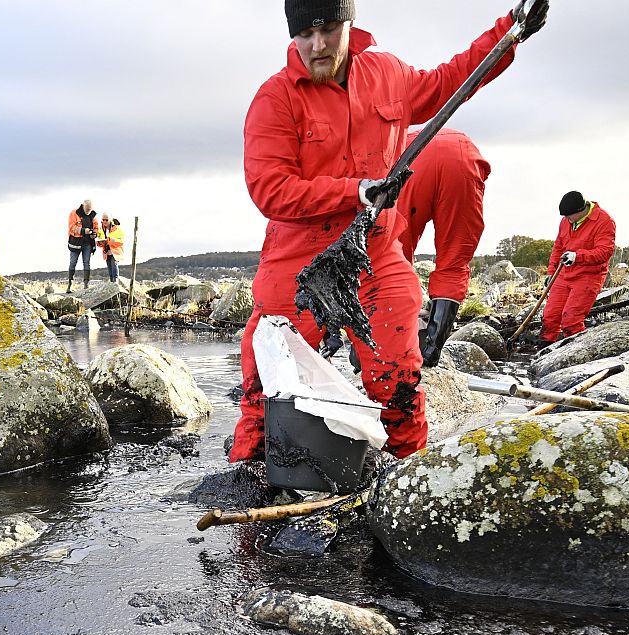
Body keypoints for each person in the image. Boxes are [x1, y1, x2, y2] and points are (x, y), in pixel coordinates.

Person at [230, 0, 548, 465]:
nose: (317, 45)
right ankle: (249, 488)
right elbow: (270, 190)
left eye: (328, 28)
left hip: (376, 258)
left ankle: (404, 480)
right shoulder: (274, 98)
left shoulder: (388, 74)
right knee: (266, 395)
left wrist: (510, 31)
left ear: (348, 21)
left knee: (399, 387)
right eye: (304, 34)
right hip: (298, 266)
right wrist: (354, 191)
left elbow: (450, 81)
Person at [390, 128, 490, 366]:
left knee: (392, 256)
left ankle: (386, 344)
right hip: (463, 158)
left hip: (412, 159)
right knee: (454, 258)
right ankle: (431, 350)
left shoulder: (393, 142)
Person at [541, 190, 616, 344]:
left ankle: (575, 352)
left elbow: (605, 252)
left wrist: (577, 256)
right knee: (550, 317)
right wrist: (551, 272)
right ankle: (545, 349)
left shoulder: (604, 220)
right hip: (563, 274)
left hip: (589, 275)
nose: (566, 219)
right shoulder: (565, 221)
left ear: (581, 210)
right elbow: (558, 247)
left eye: (569, 216)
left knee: (571, 320)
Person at [67, 199, 100, 291]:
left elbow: (96, 228)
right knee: (73, 263)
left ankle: (86, 285)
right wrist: (83, 231)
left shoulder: (93, 216)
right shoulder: (74, 213)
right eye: (87, 209)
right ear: (83, 206)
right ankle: (70, 283)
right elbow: (72, 227)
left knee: (86, 263)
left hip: (88, 243)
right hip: (75, 243)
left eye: (90, 209)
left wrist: (94, 234)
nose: (88, 211)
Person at [98, 217, 125, 283]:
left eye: (106, 220)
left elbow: (122, 241)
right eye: (103, 220)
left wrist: (113, 241)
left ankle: (115, 282)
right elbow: (100, 240)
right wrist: (99, 243)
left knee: (114, 266)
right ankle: (112, 282)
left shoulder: (117, 229)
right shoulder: (102, 230)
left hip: (115, 252)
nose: (105, 221)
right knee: (110, 268)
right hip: (107, 252)